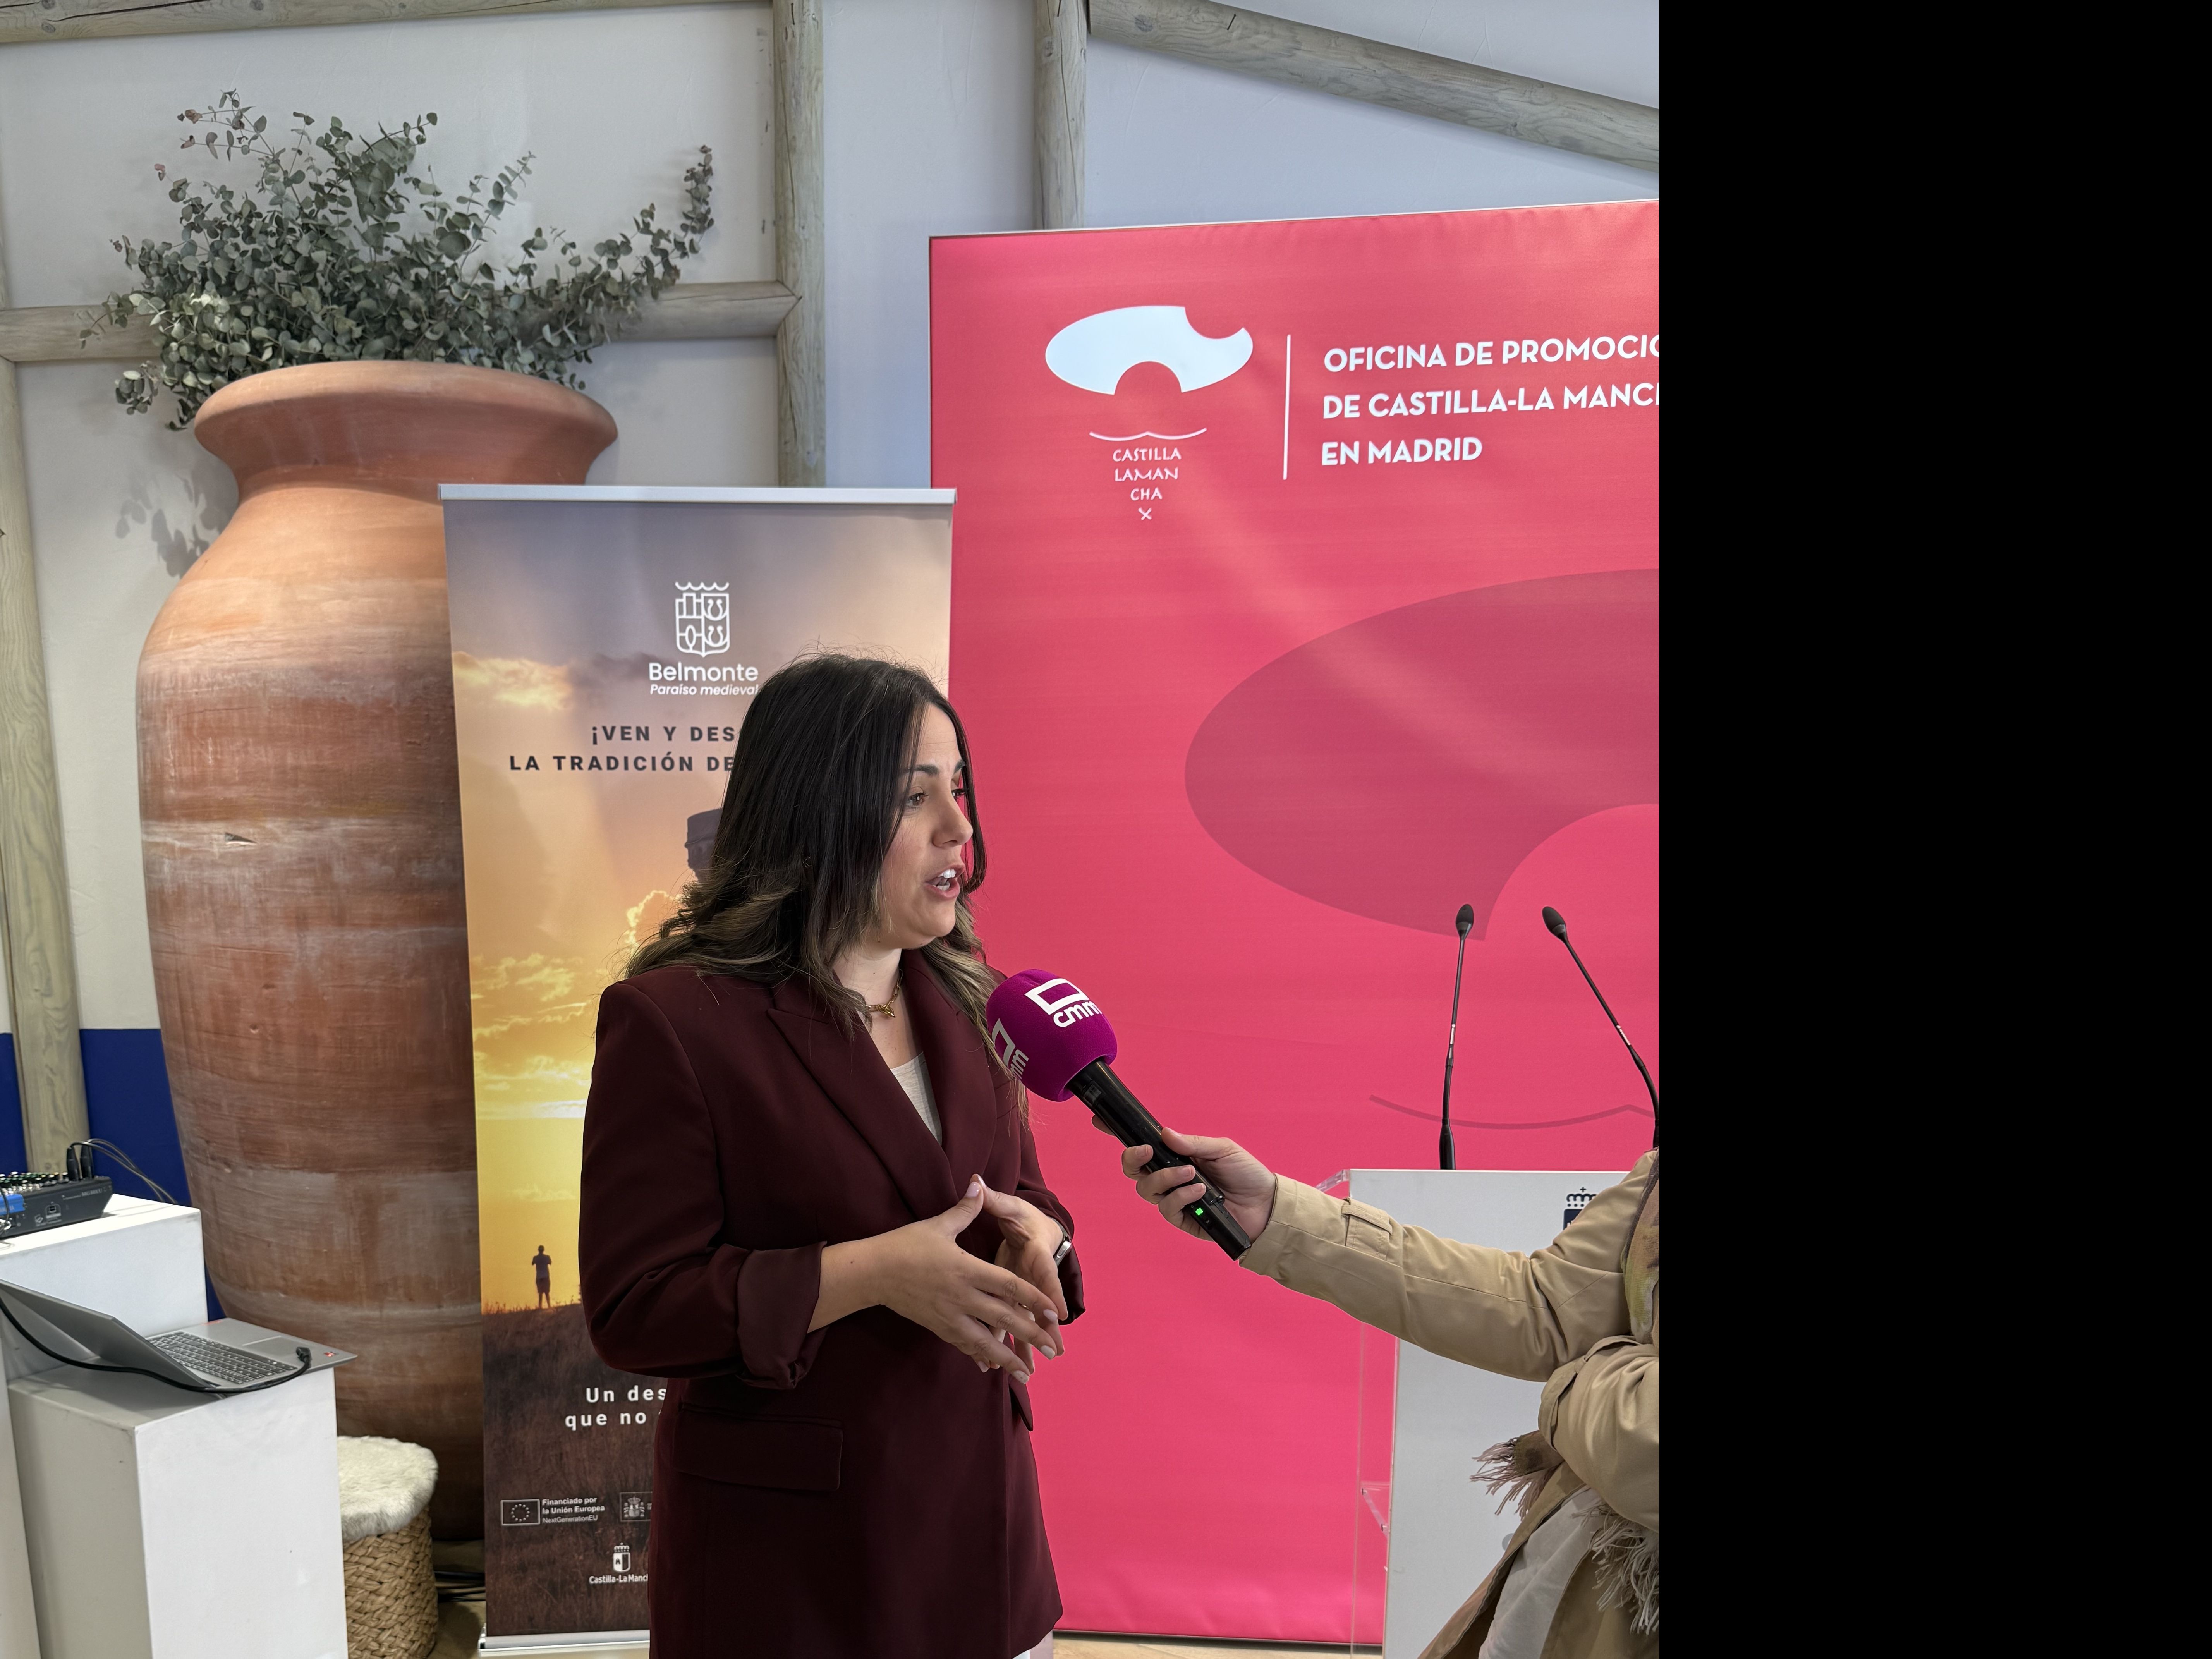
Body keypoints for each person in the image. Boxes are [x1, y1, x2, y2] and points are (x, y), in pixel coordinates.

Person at [579, 654, 1079, 1659]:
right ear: (815, 810)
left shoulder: (978, 1002)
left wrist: (1045, 1241)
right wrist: (871, 1272)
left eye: (959, 787)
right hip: (794, 1574)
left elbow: (1020, 1193)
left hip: (983, 1548)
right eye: (913, 796)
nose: (958, 826)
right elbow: (636, 1307)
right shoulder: (678, 1021)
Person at [1108, 1125, 1657, 1658]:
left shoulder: (1585, 1382)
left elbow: (1643, 1441)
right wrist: (1280, 1217)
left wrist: (1575, 1385)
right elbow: (1549, 1308)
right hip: (1582, 1581)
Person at [531, 1244, 553, 1309]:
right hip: (546, 1277)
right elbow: (550, 1263)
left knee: (540, 1294)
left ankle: (540, 1307)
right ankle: (549, 1306)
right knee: (547, 1293)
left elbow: (533, 1263)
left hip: (539, 1277)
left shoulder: (536, 1258)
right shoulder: (547, 1257)